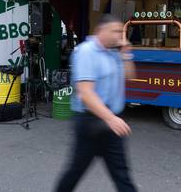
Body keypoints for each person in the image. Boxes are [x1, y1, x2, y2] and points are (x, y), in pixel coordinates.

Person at [54, 14, 137, 192]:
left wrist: (126, 52)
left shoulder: (114, 53)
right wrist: (111, 119)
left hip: (110, 122)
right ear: (101, 31)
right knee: (75, 171)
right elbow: (86, 93)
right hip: (90, 122)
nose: (118, 35)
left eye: (120, 31)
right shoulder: (86, 52)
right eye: (114, 31)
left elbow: (130, 76)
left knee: (122, 174)